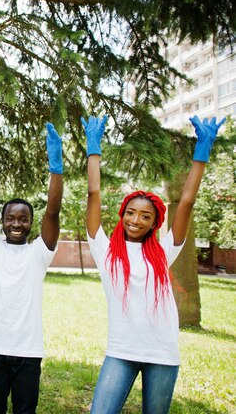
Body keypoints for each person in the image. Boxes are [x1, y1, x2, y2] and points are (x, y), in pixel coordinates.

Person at [84, 115, 226, 414]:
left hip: (162, 353)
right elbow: (93, 193)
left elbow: (186, 202)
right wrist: (93, 149)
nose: (136, 220)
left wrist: (202, 150)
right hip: (121, 351)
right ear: (123, 215)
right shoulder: (105, 250)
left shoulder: (164, 252)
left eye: (145, 217)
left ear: (153, 224)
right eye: (131, 213)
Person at [0, 125, 64, 414]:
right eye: (10, 218)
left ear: (31, 224)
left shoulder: (39, 252)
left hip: (28, 352)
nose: (16, 224)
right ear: (2, 221)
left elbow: (52, 210)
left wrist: (56, 168)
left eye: (23, 219)